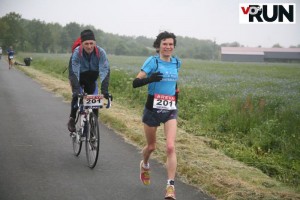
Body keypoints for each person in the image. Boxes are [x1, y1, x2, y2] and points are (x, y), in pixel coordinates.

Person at [132, 31, 181, 200]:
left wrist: (176, 96)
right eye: (164, 44)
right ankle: (145, 164)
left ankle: (170, 188)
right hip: (152, 108)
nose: (168, 47)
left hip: (170, 109)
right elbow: (135, 83)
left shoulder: (176, 62)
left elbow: (174, 84)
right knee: (151, 146)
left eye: (170, 44)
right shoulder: (152, 61)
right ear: (158, 46)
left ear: (174, 46)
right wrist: (150, 79)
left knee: (170, 147)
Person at [67, 29, 111, 132]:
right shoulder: (77, 53)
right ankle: (72, 119)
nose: (89, 46)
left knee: (94, 102)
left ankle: (93, 129)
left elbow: (105, 71)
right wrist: (76, 90)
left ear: (95, 43)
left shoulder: (101, 52)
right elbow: (74, 73)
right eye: (86, 43)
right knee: (76, 96)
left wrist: (105, 91)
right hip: (78, 77)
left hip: (91, 79)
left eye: (91, 43)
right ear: (82, 44)